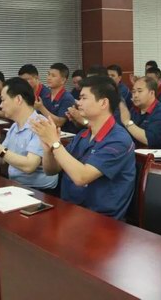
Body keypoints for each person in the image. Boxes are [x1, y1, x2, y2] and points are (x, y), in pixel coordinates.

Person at [32, 76, 135, 220]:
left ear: (103, 103)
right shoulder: (83, 135)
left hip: (101, 220)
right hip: (70, 210)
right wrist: (48, 149)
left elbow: (82, 177)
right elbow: (51, 170)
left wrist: (55, 143)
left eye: (83, 98)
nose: (78, 102)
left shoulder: (118, 140)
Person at [0, 77, 58, 193]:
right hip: (16, 186)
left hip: (39, 191)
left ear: (18, 99)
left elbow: (29, 166)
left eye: (3, 100)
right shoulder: (15, 126)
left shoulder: (41, 125)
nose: (0, 106)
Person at [120, 77, 161, 149]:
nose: (135, 95)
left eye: (139, 91)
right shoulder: (134, 110)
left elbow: (150, 140)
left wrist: (127, 122)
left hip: (158, 154)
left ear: (152, 93)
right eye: (133, 92)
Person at [33, 63, 77, 132]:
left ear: (63, 80)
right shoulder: (45, 96)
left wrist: (41, 108)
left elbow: (59, 123)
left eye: (53, 76)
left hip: (65, 135)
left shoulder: (67, 98)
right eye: (48, 74)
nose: (49, 78)